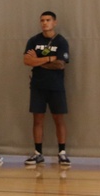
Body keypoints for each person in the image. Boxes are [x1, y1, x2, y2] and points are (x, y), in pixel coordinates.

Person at [23, 11, 71, 167]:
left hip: (56, 86)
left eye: (48, 20)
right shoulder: (33, 40)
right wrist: (50, 58)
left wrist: (38, 61)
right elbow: (27, 61)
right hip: (38, 86)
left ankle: (62, 153)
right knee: (37, 120)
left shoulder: (61, 41)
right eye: (42, 20)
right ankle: (38, 153)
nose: (45, 23)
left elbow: (60, 64)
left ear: (54, 22)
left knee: (59, 120)